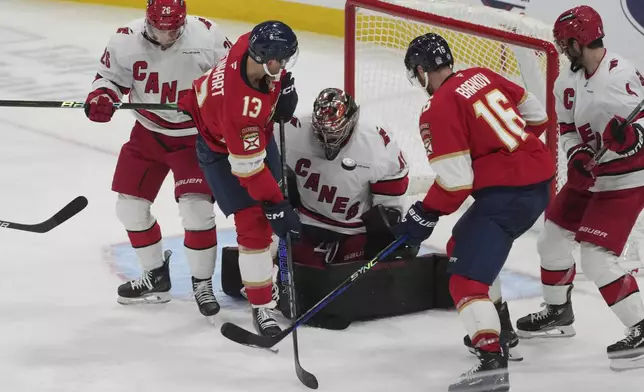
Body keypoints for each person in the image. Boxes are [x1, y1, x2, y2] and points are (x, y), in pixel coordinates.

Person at [397, 33, 554, 391]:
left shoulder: (437, 107)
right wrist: (502, 153)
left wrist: (423, 213)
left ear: (421, 72)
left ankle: (491, 367)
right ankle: (504, 332)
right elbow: (538, 117)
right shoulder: (482, 75)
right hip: (539, 183)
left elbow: (455, 183)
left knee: (465, 280)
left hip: (508, 197)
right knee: (461, 248)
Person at [516, 5, 644, 371]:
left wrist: (633, 137)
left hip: (628, 177)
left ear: (581, 39)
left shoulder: (621, 76)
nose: (560, 47)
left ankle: (641, 327)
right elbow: (568, 129)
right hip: (589, 174)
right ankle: (559, 312)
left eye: (564, 41)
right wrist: (575, 157)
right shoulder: (565, 79)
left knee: (596, 257)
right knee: (551, 241)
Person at [84, 0, 230, 319]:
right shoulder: (125, 39)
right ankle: (155, 276)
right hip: (148, 131)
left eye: (173, 29)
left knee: (197, 210)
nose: (165, 36)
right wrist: (102, 97)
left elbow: (232, 83)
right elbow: (109, 79)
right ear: (148, 20)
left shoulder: (207, 36)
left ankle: (202, 283)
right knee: (130, 208)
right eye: (158, 29)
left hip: (196, 138)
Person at [178, 21, 300, 336]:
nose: (282, 64)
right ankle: (261, 307)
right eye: (280, 61)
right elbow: (248, 170)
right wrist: (273, 204)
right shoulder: (240, 110)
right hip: (221, 151)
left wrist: (282, 85)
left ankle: (261, 275)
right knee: (255, 223)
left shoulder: (249, 43)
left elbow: (270, 78)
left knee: (273, 218)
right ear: (264, 58)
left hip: (249, 134)